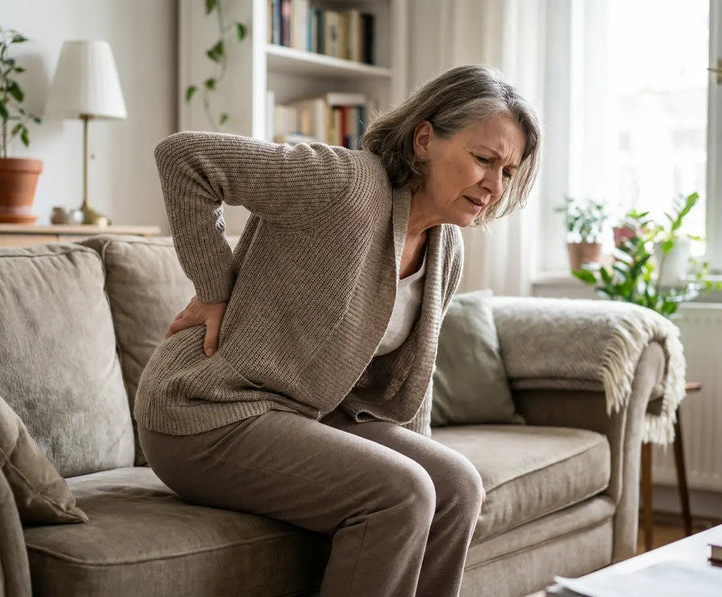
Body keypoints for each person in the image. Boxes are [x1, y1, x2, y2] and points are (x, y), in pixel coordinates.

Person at [135, 64, 541, 597]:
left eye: (508, 171)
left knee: (456, 485)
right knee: (402, 493)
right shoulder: (345, 182)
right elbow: (186, 156)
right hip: (208, 412)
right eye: (483, 159)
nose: (494, 184)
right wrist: (215, 286)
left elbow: (406, 387)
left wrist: (426, 458)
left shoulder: (446, 248)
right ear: (424, 140)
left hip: (311, 417)